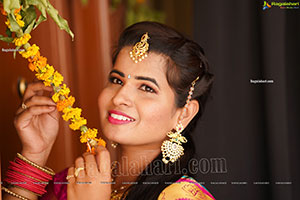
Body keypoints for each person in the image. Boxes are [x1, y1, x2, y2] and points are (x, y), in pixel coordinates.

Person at [2, 21, 215, 200]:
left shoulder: (184, 196)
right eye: (116, 80)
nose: (120, 97)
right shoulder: (80, 180)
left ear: (184, 113)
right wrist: (35, 153)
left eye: (147, 88)